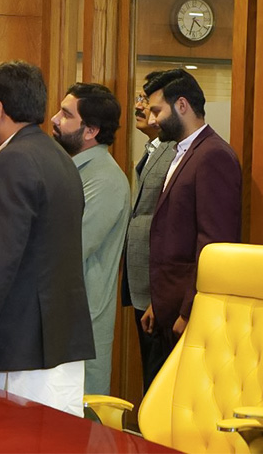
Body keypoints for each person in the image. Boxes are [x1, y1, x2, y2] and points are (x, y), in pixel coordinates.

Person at [0, 61, 95, 417]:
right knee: (58, 436)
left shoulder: (13, 161)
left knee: (13, 435)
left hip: (18, 344)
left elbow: (0, 258)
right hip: (58, 336)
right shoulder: (60, 158)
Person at [143, 68, 241, 364]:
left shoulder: (213, 155)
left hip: (189, 314)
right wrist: (158, 303)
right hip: (168, 308)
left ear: (182, 105)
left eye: (157, 111)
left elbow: (214, 245)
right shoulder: (182, 152)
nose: (152, 120)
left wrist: (190, 311)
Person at [51, 82, 131, 395]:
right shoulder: (71, 170)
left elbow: (67, 249)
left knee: (79, 417)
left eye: (66, 114)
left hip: (80, 324)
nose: (55, 119)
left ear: (91, 131)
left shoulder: (105, 179)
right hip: (59, 319)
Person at [121, 72, 175, 393]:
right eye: (139, 99)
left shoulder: (175, 152)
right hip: (142, 285)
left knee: (159, 383)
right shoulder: (153, 150)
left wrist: (161, 296)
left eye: (146, 100)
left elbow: (170, 227)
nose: (139, 107)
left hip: (160, 292)